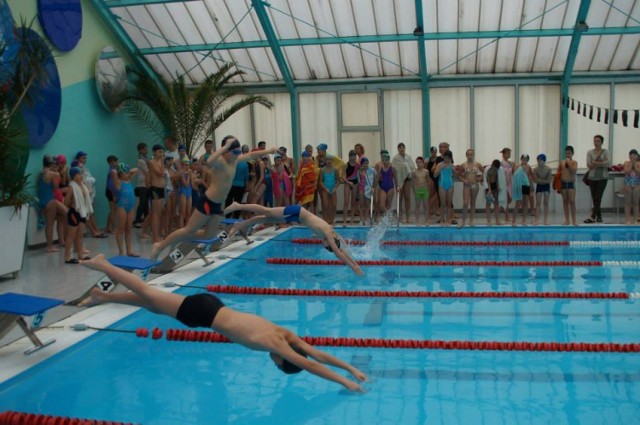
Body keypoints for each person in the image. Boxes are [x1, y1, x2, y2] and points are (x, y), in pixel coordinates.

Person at [78, 254, 367, 392]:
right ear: (284, 360)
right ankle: (104, 265)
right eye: (278, 364)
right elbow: (313, 364)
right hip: (202, 314)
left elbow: (317, 354)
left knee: (152, 305)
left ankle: (101, 297)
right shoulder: (274, 344)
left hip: (212, 306)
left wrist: (352, 368)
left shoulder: (285, 335)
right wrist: (345, 381)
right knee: (148, 293)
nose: (273, 363)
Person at [151, 136, 275, 260]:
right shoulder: (220, 161)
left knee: (208, 236)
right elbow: (210, 161)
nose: (238, 155)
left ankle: (185, 237)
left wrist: (268, 151)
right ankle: (160, 246)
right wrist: (225, 146)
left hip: (217, 205)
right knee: (188, 230)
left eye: (238, 152)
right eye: (235, 152)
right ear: (226, 151)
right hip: (208, 202)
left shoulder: (234, 160)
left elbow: (251, 155)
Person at [225, 203, 365, 276]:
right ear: (330, 241)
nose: (324, 246)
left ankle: (239, 226)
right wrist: (354, 268)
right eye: (327, 246)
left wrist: (355, 263)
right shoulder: (328, 233)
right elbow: (338, 253)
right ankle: (238, 206)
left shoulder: (329, 234)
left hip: (296, 216)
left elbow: (342, 249)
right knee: (266, 211)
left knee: (265, 218)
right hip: (297, 212)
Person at [37, 155, 67, 252]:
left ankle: (62, 241)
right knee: (51, 224)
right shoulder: (53, 174)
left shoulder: (39, 174)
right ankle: (49, 246)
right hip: (50, 201)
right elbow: (55, 188)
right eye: (55, 164)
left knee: (63, 217)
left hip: (43, 201)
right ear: (52, 164)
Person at [63, 167, 92, 264]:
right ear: (73, 176)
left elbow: (89, 193)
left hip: (82, 212)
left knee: (80, 235)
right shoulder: (71, 187)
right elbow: (66, 202)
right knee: (71, 236)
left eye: (81, 174)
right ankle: (67, 257)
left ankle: (80, 255)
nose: (81, 176)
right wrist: (72, 204)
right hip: (74, 213)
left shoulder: (82, 185)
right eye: (78, 174)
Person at [113, 163, 139, 257]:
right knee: (120, 229)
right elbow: (114, 171)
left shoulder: (129, 180)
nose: (128, 174)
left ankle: (129, 251)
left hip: (130, 207)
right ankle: (121, 252)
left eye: (128, 173)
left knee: (128, 229)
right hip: (122, 207)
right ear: (120, 174)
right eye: (125, 173)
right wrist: (121, 170)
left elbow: (136, 169)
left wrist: (128, 172)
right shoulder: (119, 182)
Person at [584, 135, 610, 223]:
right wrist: (600, 163)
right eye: (595, 141)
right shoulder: (590, 152)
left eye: (598, 141)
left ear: (601, 142)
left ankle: (592, 216)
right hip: (592, 177)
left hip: (603, 177)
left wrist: (595, 163)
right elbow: (588, 164)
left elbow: (608, 163)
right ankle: (599, 216)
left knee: (598, 197)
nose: (596, 143)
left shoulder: (606, 152)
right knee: (594, 197)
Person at [457, 149, 483, 227]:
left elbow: (483, 172)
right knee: (465, 203)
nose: (470, 156)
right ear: (466, 155)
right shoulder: (463, 165)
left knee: (473, 203)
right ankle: (463, 221)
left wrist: (480, 178)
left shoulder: (477, 164)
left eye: (471, 154)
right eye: (468, 154)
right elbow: (458, 175)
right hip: (467, 185)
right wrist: (464, 180)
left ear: (473, 155)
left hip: (475, 185)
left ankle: (472, 220)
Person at [392, 143, 416, 224]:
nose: (402, 149)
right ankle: (400, 217)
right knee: (400, 198)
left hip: (407, 179)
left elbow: (412, 168)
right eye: (400, 148)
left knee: (407, 198)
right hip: (399, 180)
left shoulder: (408, 157)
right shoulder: (395, 158)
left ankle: (408, 217)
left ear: (405, 148)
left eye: (403, 147)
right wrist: (396, 182)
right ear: (398, 149)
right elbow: (394, 170)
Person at [148, 144, 166, 243]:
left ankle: (157, 235)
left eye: (162, 152)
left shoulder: (159, 161)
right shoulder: (152, 162)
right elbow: (160, 173)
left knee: (159, 213)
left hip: (161, 189)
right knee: (155, 213)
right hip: (155, 189)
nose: (161, 154)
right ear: (154, 152)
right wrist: (163, 162)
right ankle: (155, 237)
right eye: (159, 152)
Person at [433, 151, 455, 226]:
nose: (447, 159)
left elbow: (455, 176)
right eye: (445, 158)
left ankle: (448, 220)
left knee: (449, 204)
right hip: (441, 185)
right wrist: (439, 169)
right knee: (442, 204)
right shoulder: (439, 164)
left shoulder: (451, 165)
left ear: (451, 158)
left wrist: (454, 170)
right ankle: (442, 220)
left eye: (448, 158)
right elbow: (435, 175)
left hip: (450, 185)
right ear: (443, 157)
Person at [559, 146, 578, 226]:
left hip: (570, 184)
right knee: (565, 202)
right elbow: (558, 173)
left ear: (572, 154)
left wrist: (569, 162)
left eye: (569, 153)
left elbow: (574, 171)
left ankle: (574, 220)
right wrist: (558, 185)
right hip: (563, 184)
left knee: (572, 201)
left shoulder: (574, 162)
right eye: (566, 153)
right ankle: (567, 220)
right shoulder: (561, 162)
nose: (567, 155)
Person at [375, 150, 397, 217]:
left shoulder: (392, 167)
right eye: (383, 158)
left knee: (388, 205)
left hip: (390, 187)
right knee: (381, 205)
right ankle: (389, 215)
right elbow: (377, 179)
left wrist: (398, 186)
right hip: (382, 186)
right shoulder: (380, 167)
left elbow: (396, 178)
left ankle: (387, 220)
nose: (384, 160)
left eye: (386, 158)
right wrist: (373, 187)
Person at [511, 154, 532, 226]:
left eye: (526, 160)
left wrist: (531, 189)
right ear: (521, 159)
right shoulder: (517, 166)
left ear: (528, 160)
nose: (524, 161)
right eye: (523, 159)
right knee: (518, 203)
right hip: (519, 186)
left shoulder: (529, 167)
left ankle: (524, 220)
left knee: (525, 203)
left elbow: (529, 178)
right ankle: (513, 221)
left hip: (526, 186)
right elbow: (514, 177)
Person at [318, 157, 339, 225]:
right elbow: (320, 182)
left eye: (330, 160)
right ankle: (325, 221)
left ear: (332, 161)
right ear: (325, 161)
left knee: (334, 205)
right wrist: (325, 189)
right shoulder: (322, 170)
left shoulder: (335, 170)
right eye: (327, 160)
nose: (329, 161)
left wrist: (335, 188)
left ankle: (332, 220)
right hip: (325, 189)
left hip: (332, 188)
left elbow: (338, 180)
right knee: (325, 205)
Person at [133, 143, 149, 228]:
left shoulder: (145, 159)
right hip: (142, 184)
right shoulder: (141, 160)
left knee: (146, 203)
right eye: (145, 149)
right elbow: (147, 172)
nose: (147, 151)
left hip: (145, 184)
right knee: (142, 202)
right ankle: (137, 220)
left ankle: (147, 219)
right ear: (141, 150)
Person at [342, 150, 360, 226]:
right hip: (348, 183)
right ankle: (344, 221)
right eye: (351, 156)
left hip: (355, 184)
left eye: (354, 156)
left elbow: (360, 175)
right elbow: (342, 177)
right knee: (346, 202)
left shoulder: (357, 165)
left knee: (353, 203)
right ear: (349, 156)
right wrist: (348, 182)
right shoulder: (346, 165)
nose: (353, 157)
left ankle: (352, 221)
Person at [533, 154, 552, 225]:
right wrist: (543, 180)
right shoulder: (535, 169)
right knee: (538, 203)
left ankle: (545, 220)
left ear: (544, 161)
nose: (538, 162)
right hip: (539, 186)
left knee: (546, 203)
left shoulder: (548, 169)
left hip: (546, 186)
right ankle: (536, 220)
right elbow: (535, 180)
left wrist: (539, 180)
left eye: (540, 160)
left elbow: (549, 181)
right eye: (537, 160)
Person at [622, 149, 640, 225]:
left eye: (634, 155)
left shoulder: (639, 163)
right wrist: (632, 164)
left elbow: (639, 172)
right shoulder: (626, 163)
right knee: (627, 203)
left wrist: (635, 165)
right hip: (627, 185)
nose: (632, 156)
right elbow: (626, 172)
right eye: (631, 154)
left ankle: (636, 220)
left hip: (637, 185)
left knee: (636, 203)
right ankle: (627, 220)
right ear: (629, 156)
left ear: (637, 156)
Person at [483, 160, 502, 226]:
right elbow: (487, 180)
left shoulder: (496, 170)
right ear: (492, 165)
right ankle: (489, 221)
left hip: (494, 187)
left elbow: (497, 179)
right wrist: (489, 189)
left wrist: (498, 186)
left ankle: (497, 220)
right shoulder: (488, 170)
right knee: (488, 204)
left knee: (496, 204)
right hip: (488, 187)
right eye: (495, 168)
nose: (496, 169)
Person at [412, 156, 430, 225]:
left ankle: (426, 221)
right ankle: (417, 221)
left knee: (426, 206)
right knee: (417, 206)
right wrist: (414, 191)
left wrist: (428, 191)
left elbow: (428, 182)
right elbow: (412, 183)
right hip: (418, 191)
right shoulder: (414, 172)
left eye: (420, 162)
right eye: (417, 162)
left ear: (423, 163)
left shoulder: (426, 171)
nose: (418, 164)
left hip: (425, 190)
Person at [357, 157, 375, 226]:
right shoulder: (359, 171)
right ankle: (361, 220)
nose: (365, 165)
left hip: (369, 189)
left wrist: (373, 188)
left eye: (367, 163)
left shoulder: (372, 171)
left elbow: (374, 180)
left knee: (367, 205)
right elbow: (358, 181)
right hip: (362, 188)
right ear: (361, 164)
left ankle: (366, 219)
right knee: (361, 205)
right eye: (364, 163)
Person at [499, 148, 515, 222]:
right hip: (504, 182)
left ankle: (501, 207)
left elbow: (513, 172)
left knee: (509, 199)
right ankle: (507, 217)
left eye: (510, 153)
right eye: (508, 153)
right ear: (503, 154)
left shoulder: (510, 162)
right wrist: (510, 167)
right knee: (506, 200)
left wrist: (512, 167)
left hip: (509, 182)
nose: (509, 154)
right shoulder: (501, 162)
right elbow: (501, 172)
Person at [105, 155, 119, 234]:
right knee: (113, 211)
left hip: (110, 192)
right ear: (112, 162)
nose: (117, 163)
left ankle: (107, 227)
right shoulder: (112, 171)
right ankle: (113, 228)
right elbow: (110, 184)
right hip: (110, 192)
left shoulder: (113, 170)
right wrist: (113, 195)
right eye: (116, 161)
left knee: (112, 211)